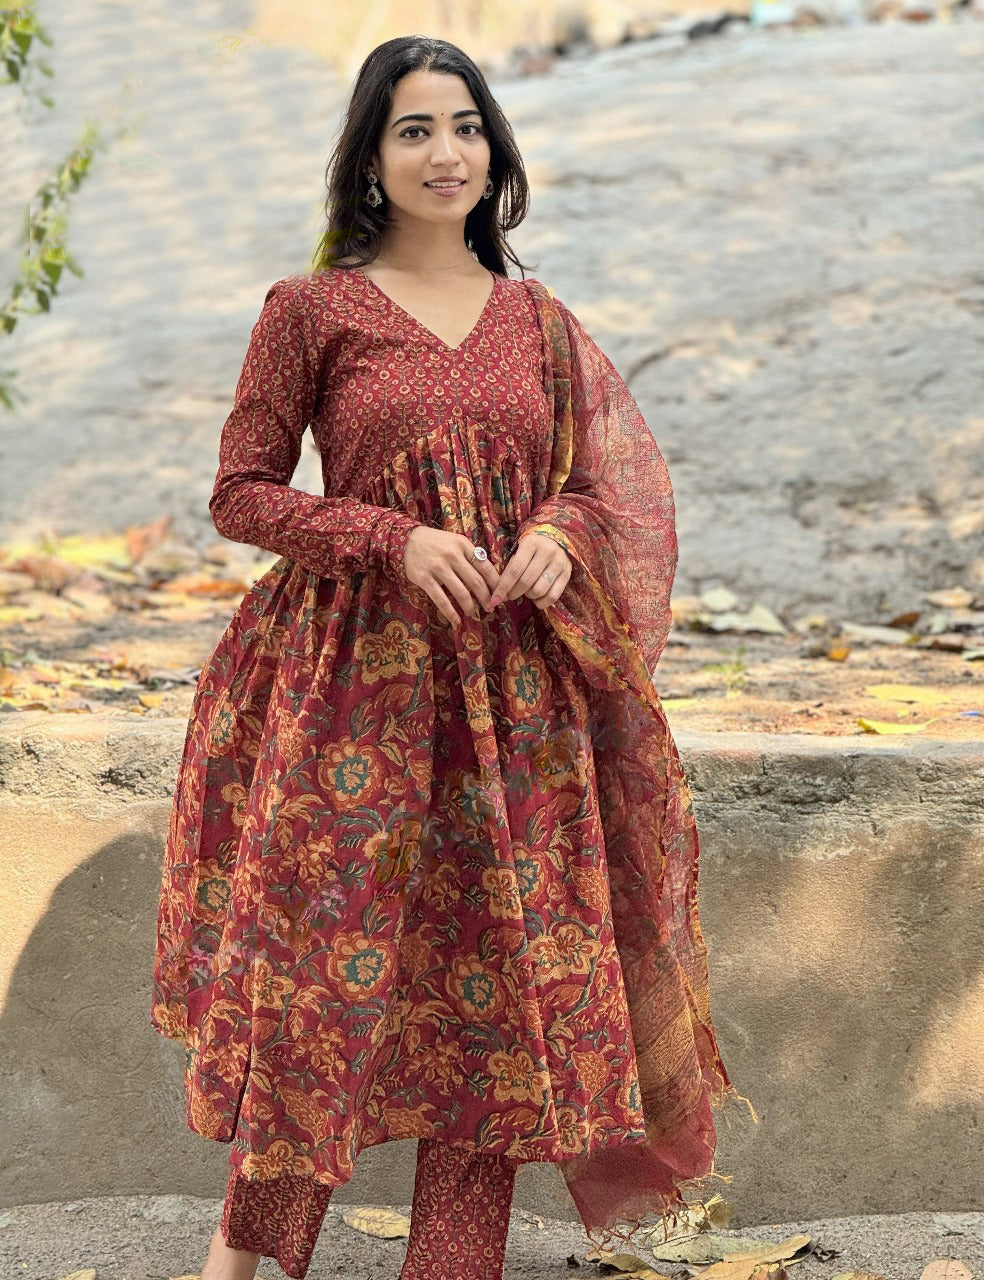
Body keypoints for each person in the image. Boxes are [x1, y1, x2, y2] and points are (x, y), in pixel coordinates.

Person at [150, 33, 755, 1280]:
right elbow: (241, 491)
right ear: (370, 157)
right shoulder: (312, 309)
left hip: (516, 702)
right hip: (349, 691)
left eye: (466, 127)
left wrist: (555, 534)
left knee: (494, 987)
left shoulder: (538, 319)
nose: (446, 153)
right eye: (415, 129)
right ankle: (239, 1263)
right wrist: (390, 537)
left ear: (496, 150)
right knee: (315, 978)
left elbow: (601, 483)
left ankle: (451, 1266)